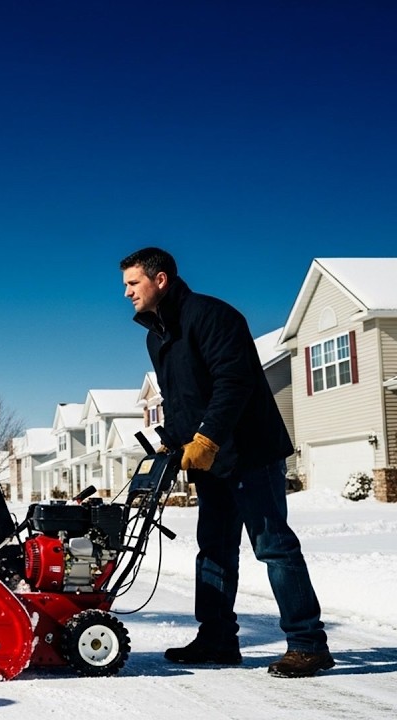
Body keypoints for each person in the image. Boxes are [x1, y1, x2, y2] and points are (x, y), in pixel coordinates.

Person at [120, 247, 332, 679]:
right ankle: (217, 638)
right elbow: (182, 400)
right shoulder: (157, 336)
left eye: (133, 283)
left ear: (160, 280)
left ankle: (308, 644)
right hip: (212, 461)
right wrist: (171, 440)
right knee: (214, 550)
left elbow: (233, 383)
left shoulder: (212, 316)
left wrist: (207, 438)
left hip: (250, 452)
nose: (127, 293)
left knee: (273, 546)